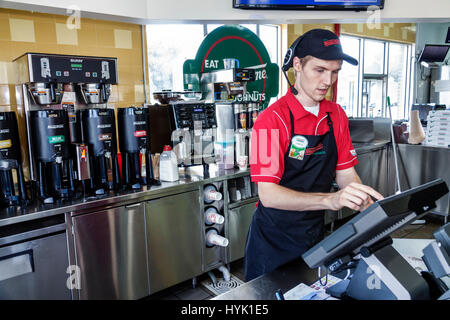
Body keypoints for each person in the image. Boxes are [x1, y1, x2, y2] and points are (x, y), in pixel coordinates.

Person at [244, 29, 384, 282]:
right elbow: (268, 194)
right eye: (319, 70)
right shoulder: (270, 120)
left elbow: (345, 174)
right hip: (272, 242)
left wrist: (366, 204)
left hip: (312, 233)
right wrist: (331, 201)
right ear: (297, 65)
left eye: (335, 71)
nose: (328, 81)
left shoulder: (336, 114)